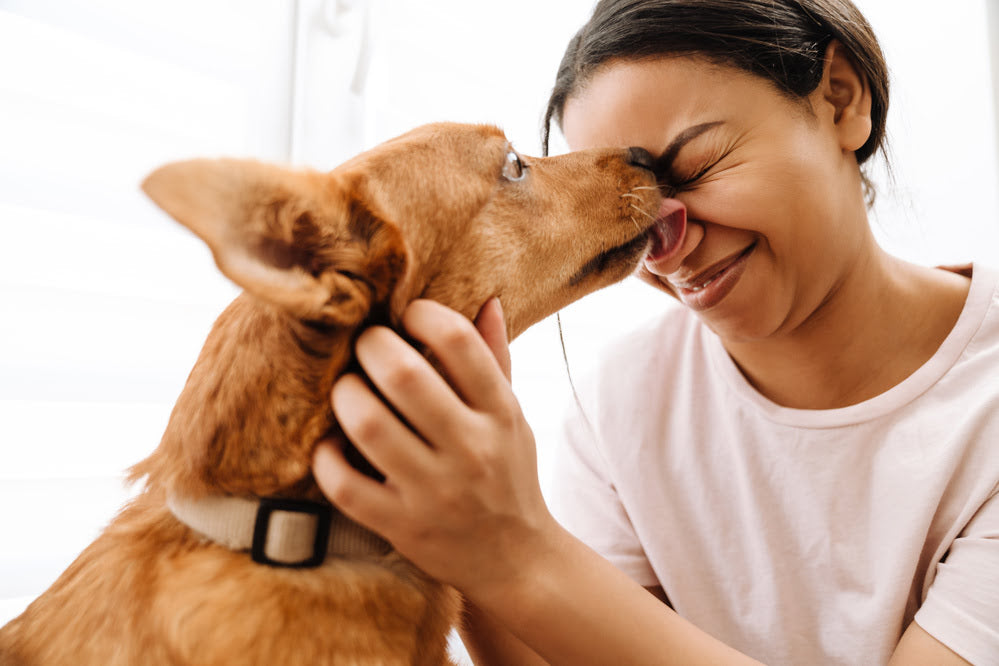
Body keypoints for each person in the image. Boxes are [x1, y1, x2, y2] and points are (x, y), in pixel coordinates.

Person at [312, 0, 999, 663]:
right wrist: (452, 524)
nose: (664, 249)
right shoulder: (621, 403)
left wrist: (512, 546)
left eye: (696, 167)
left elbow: (532, 573)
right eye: (631, 217)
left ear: (841, 98)